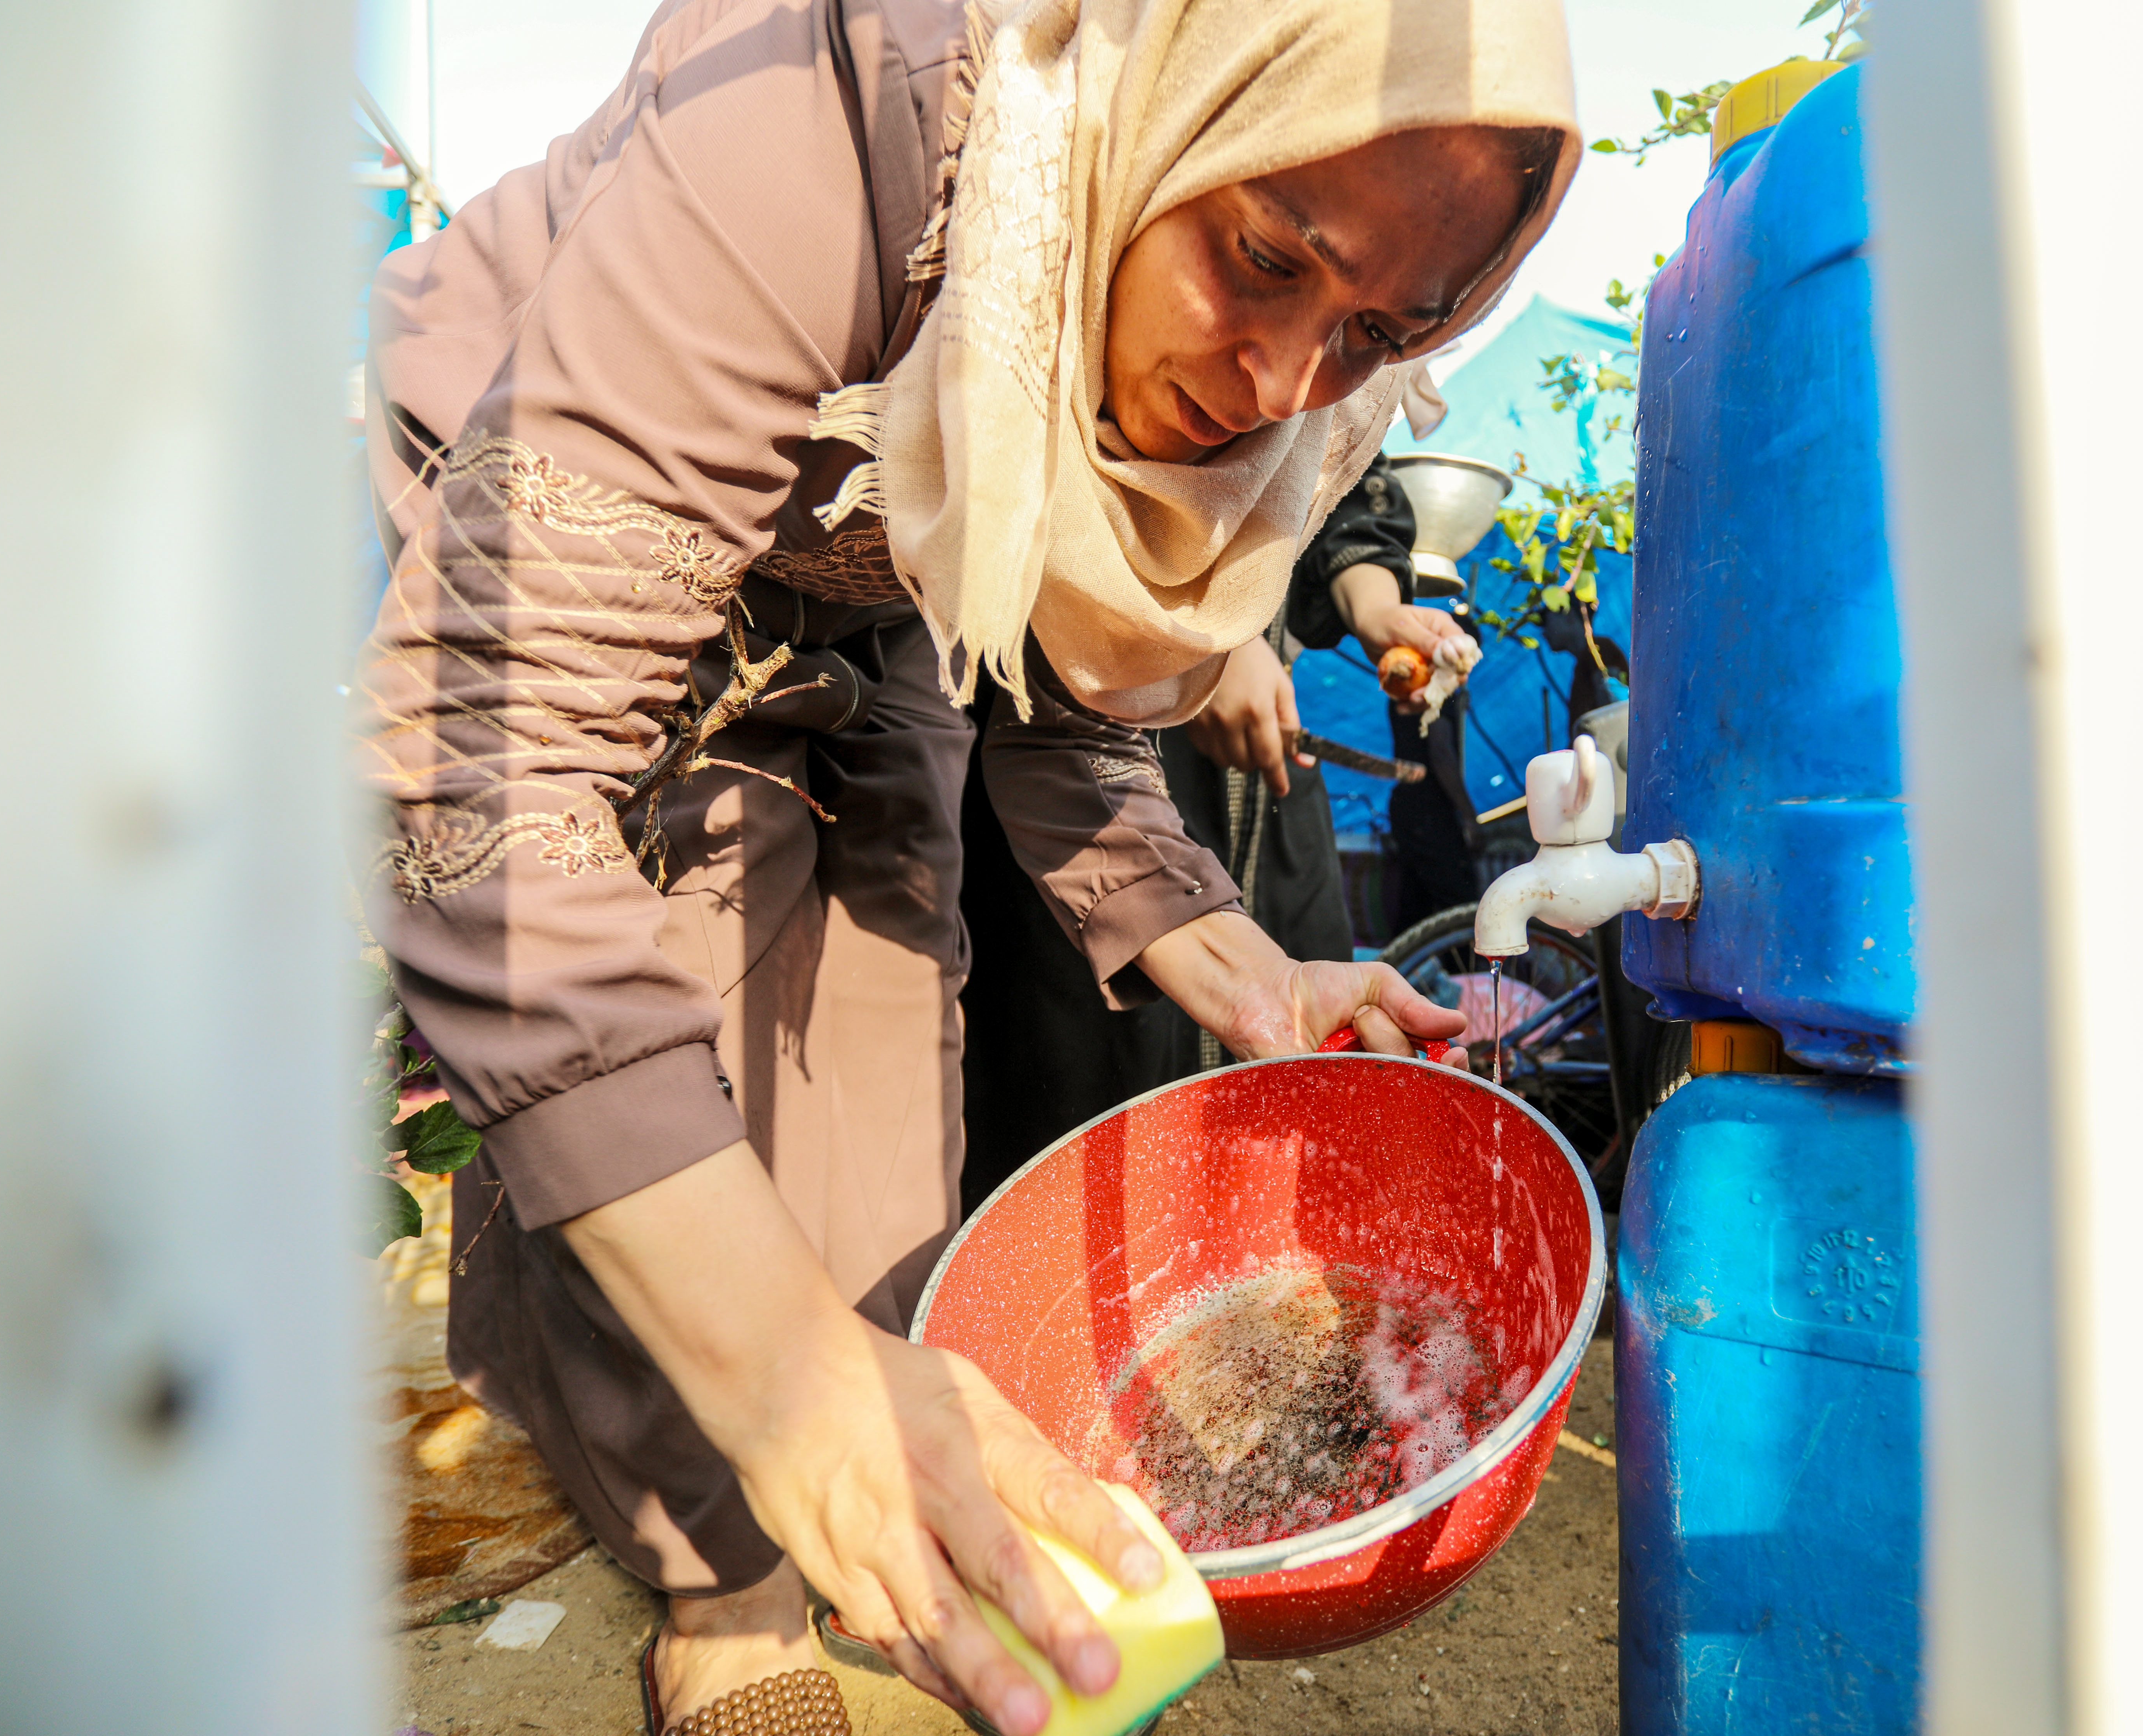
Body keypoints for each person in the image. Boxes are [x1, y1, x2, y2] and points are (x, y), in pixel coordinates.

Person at [357, 0, 1577, 1730]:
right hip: (550, 547)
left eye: (1374, 330)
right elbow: (485, 764)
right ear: (1171, 113)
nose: (1279, 385)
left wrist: (1244, 963)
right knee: (660, 1058)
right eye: (1263, 259)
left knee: (880, 1072)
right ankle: (728, 1617)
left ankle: (848, 1504)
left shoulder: (1260, 380)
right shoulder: (825, 116)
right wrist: (785, 1377)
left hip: (869, 585)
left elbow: (1059, 696)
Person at [960, 451, 1467, 1200]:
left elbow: (1345, 492)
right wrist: (1203, 645)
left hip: (1264, 760)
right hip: (1079, 697)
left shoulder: (1324, 412)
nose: (1285, 391)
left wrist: (1376, 608)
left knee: (1299, 1130)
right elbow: (1056, 488)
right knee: (1084, 1086)